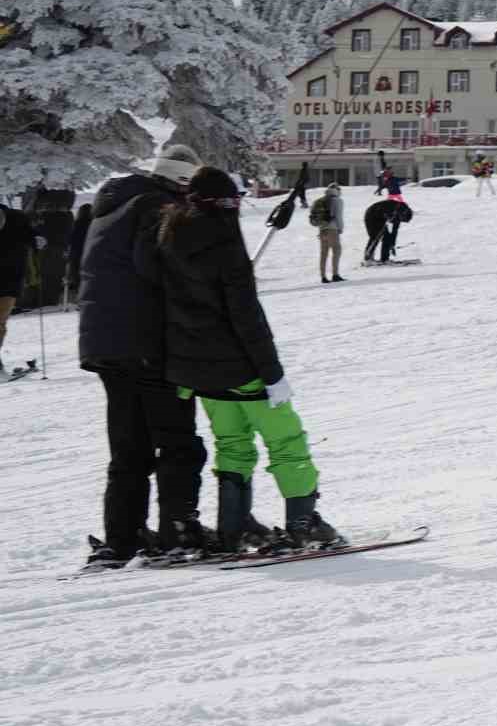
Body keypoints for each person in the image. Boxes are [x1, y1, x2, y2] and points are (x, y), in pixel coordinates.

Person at [149, 168, 341, 551]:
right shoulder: (224, 242)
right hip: (240, 368)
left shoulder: (169, 236)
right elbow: (246, 317)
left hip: (198, 370)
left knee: (232, 443)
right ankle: (303, 522)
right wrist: (272, 375)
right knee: (286, 441)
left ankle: (232, 528)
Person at [76, 145, 210, 566]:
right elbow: (159, 270)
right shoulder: (158, 207)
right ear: (183, 181)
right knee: (177, 443)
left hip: (104, 343)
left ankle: (123, 537)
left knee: (129, 447)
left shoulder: (112, 206)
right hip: (147, 341)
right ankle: (178, 533)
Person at [0, 200, 43, 374]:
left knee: (0, 321)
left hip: (9, 279)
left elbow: (33, 239)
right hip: (11, 278)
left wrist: (37, 240)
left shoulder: (18, 218)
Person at [308, 183, 345, 284]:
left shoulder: (321, 200)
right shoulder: (337, 201)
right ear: (337, 190)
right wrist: (340, 228)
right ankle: (335, 274)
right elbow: (338, 216)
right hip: (333, 229)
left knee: (323, 253)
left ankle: (323, 276)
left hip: (322, 229)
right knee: (336, 251)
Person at [362, 197, 411, 265]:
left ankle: (384, 258)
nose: (400, 221)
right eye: (402, 220)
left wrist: (392, 244)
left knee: (387, 237)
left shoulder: (399, 214)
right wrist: (387, 216)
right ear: (403, 215)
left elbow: (394, 231)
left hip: (381, 218)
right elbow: (382, 212)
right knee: (375, 236)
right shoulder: (394, 207)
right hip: (371, 215)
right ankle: (368, 258)